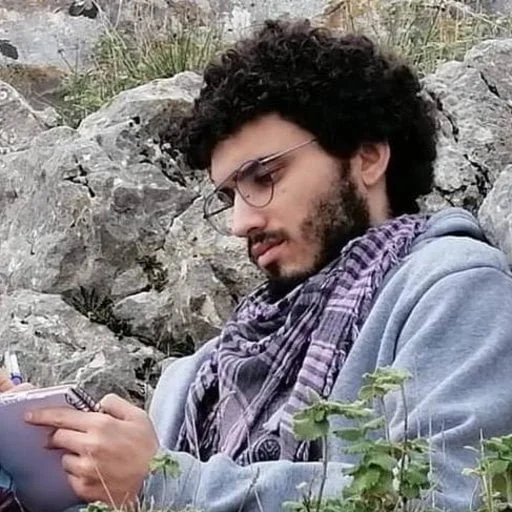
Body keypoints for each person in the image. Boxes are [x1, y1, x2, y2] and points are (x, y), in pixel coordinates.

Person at [2, 18, 512, 512]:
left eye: (264, 177)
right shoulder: (197, 377)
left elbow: (450, 494)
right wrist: (43, 462)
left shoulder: (455, 293)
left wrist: (165, 482)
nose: (240, 222)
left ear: (368, 156)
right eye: (229, 197)